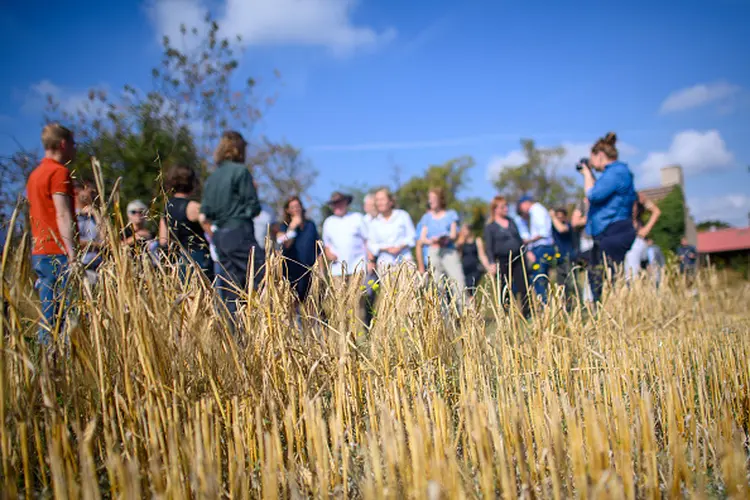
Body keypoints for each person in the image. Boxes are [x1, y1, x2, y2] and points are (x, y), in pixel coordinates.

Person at [200, 130, 263, 317]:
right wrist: (245, 212)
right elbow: (253, 206)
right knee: (266, 275)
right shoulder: (241, 172)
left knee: (231, 291)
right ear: (239, 149)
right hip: (239, 231)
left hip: (220, 237)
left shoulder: (212, 178)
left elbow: (204, 215)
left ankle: (235, 339)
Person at [26, 123, 77, 345]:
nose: (74, 149)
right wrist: (72, 253)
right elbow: (62, 214)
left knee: (48, 315)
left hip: (39, 249)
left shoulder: (35, 175)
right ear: (63, 144)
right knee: (66, 318)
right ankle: (65, 368)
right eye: (73, 144)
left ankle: (45, 368)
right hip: (57, 252)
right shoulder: (59, 172)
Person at [578, 132, 637, 303]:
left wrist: (587, 175)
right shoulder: (614, 173)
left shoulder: (617, 172)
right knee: (596, 272)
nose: (592, 164)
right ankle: (602, 312)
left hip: (614, 231)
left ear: (600, 155)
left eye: (592, 159)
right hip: (608, 231)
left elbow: (593, 195)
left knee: (607, 276)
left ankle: (614, 312)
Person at [321, 191, 374, 325]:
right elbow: (326, 244)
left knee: (357, 303)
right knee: (339, 303)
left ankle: (359, 336)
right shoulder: (329, 222)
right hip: (337, 269)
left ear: (346, 203)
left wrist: (371, 260)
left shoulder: (357, 218)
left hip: (357, 266)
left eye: (340, 202)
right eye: (335, 204)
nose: (337, 206)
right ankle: (341, 337)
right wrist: (328, 253)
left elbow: (367, 240)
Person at [158, 165, 213, 282]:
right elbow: (212, 233)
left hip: (176, 261)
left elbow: (163, 240)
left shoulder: (167, 208)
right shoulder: (194, 207)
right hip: (197, 259)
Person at [483, 196, 531, 317]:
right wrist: (491, 262)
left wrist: (527, 252)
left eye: (506, 206)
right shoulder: (491, 227)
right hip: (503, 260)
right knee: (505, 288)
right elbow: (489, 247)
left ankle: (527, 313)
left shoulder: (511, 221)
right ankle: (507, 314)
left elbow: (519, 239)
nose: (506, 208)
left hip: (518, 257)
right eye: (503, 207)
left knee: (524, 286)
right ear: (495, 209)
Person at [418, 188, 466, 307]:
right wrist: (431, 240)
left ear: (440, 199)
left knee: (458, 283)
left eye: (433, 198)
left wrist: (446, 238)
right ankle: (442, 320)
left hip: (449, 251)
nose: (431, 201)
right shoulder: (427, 217)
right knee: (437, 287)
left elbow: (454, 234)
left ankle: (466, 316)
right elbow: (422, 238)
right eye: (430, 199)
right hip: (433, 252)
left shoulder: (451, 214)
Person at [277, 196, 320, 303]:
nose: (295, 209)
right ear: (287, 210)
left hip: (309, 270)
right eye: (292, 207)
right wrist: (292, 226)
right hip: (292, 272)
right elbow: (286, 244)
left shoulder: (310, 225)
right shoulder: (284, 226)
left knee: (310, 302)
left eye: (297, 206)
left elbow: (318, 247)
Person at [517, 194, 554, 304]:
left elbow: (543, 232)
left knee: (539, 278)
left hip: (541, 247)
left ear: (526, 203)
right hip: (542, 247)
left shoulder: (536, 210)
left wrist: (528, 241)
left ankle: (544, 305)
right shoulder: (537, 211)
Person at [367, 188, 416, 269]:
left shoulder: (402, 215)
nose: (379, 203)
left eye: (382, 199)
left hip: (405, 261)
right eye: (377, 200)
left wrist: (400, 247)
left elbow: (412, 237)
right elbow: (372, 244)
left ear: (391, 201)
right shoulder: (374, 223)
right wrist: (386, 249)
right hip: (385, 264)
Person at [74, 176, 103, 286]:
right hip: (80, 267)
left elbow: (107, 241)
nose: (93, 195)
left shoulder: (96, 217)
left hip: (99, 267)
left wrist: (97, 215)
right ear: (77, 191)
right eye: (89, 190)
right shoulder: (71, 217)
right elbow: (74, 243)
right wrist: (97, 246)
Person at [624, 193, 661, 280]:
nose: (632, 209)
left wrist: (645, 201)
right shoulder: (622, 220)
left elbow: (656, 212)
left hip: (641, 254)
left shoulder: (638, 223)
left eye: (634, 205)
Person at [549, 207, 576, 297]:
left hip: (568, 257)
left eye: (561, 217)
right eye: (558, 217)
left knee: (572, 283)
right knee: (561, 284)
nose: (559, 219)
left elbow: (562, 229)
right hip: (559, 259)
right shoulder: (553, 226)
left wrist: (553, 217)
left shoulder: (567, 225)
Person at [456, 222, 488, 298]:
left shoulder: (477, 241)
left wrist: (487, 266)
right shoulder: (461, 243)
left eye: (465, 230)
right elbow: (458, 257)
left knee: (471, 290)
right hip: (464, 270)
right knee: (465, 291)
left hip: (474, 270)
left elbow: (482, 255)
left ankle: (472, 307)